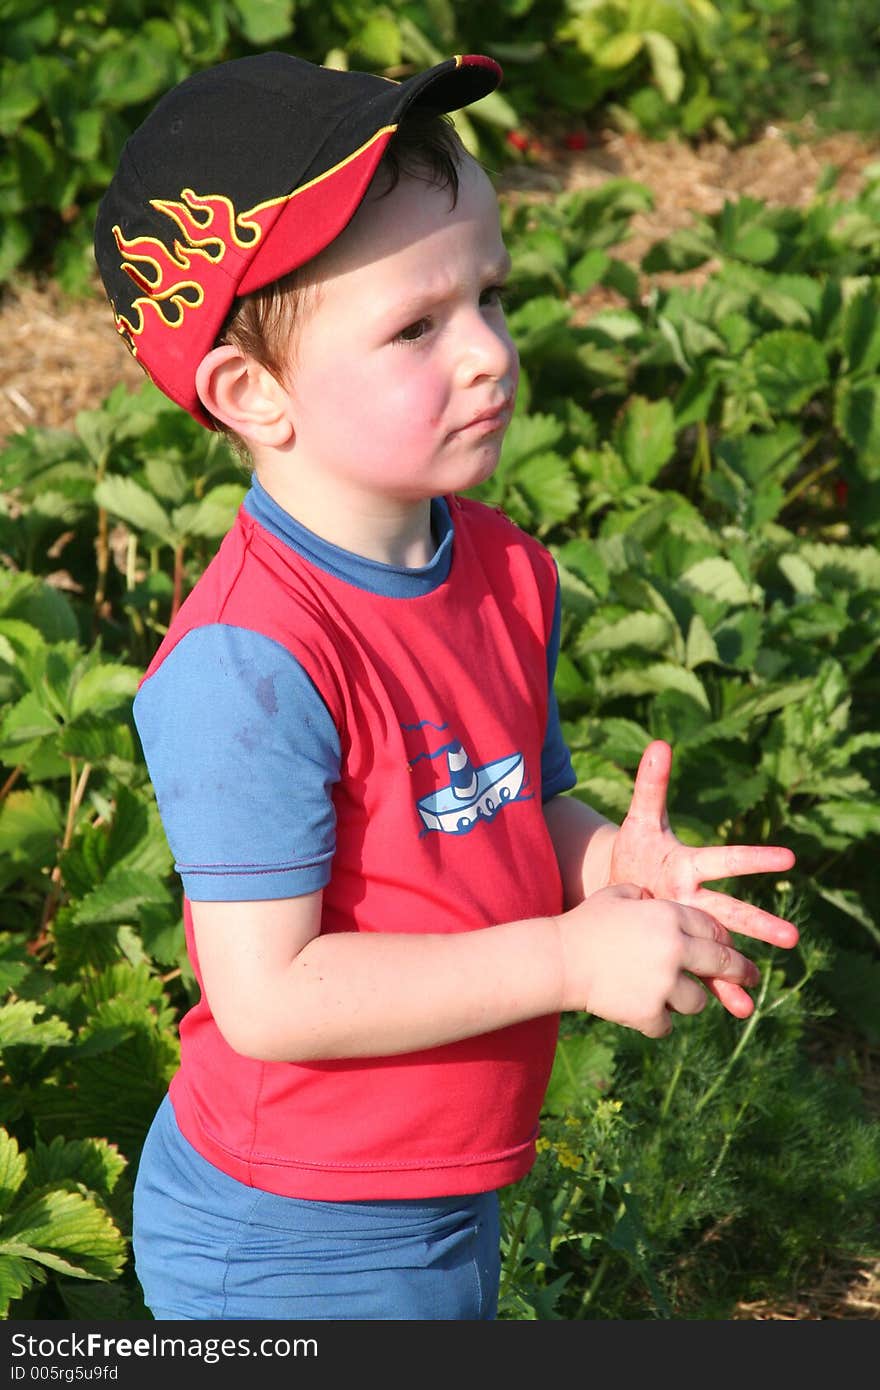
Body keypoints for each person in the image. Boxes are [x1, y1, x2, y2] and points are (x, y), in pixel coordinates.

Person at [93, 49, 798, 1322]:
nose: (486, 354)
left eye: (489, 296)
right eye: (416, 325)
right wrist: (571, 956)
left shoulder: (501, 568)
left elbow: (502, 808)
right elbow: (271, 995)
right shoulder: (250, 664)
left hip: (438, 1195)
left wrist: (605, 868)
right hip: (288, 1229)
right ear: (254, 395)